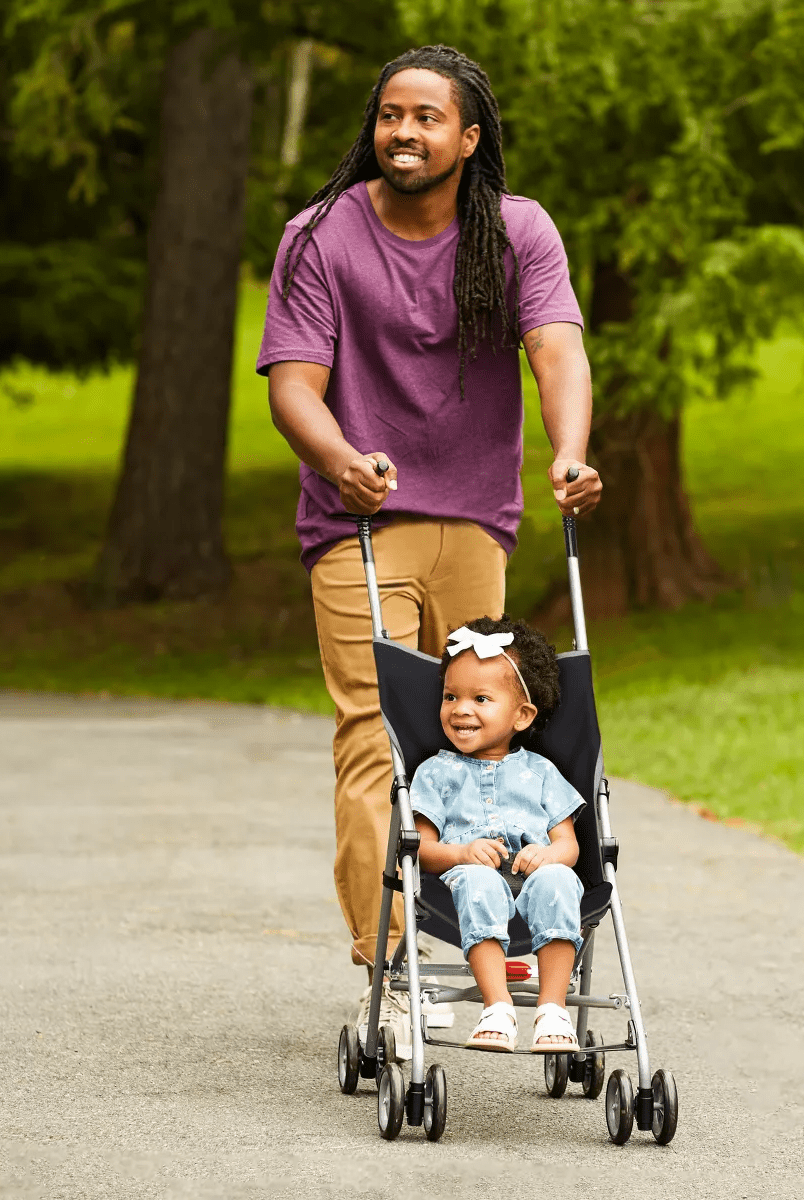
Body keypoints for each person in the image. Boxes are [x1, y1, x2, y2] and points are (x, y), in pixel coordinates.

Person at [256, 44, 602, 1044]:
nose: (403, 132)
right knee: (376, 737)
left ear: (469, 137)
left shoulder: (517, 231)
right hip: (357, 526)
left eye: (426, 117)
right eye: (389, 115)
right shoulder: (320, 235)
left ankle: (514, 934)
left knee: (491, 733)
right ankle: (391, 961)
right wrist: (338, 459)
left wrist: (571, 452)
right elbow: (292, 387)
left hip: (476, 521)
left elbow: (556, 349)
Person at [411, 617, 584, 1052]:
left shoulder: (542, 772)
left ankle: (553, 1008)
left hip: (534, 877)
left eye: (481, 698)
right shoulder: (435, 772)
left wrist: (549, 856)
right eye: (450, 696)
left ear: (522, 715)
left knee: (560, 880)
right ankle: (497, 1006)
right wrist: (461, 853)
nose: (460, 709)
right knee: (479, 881)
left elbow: (568, 844)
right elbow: (421, 849)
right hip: (465, 881)